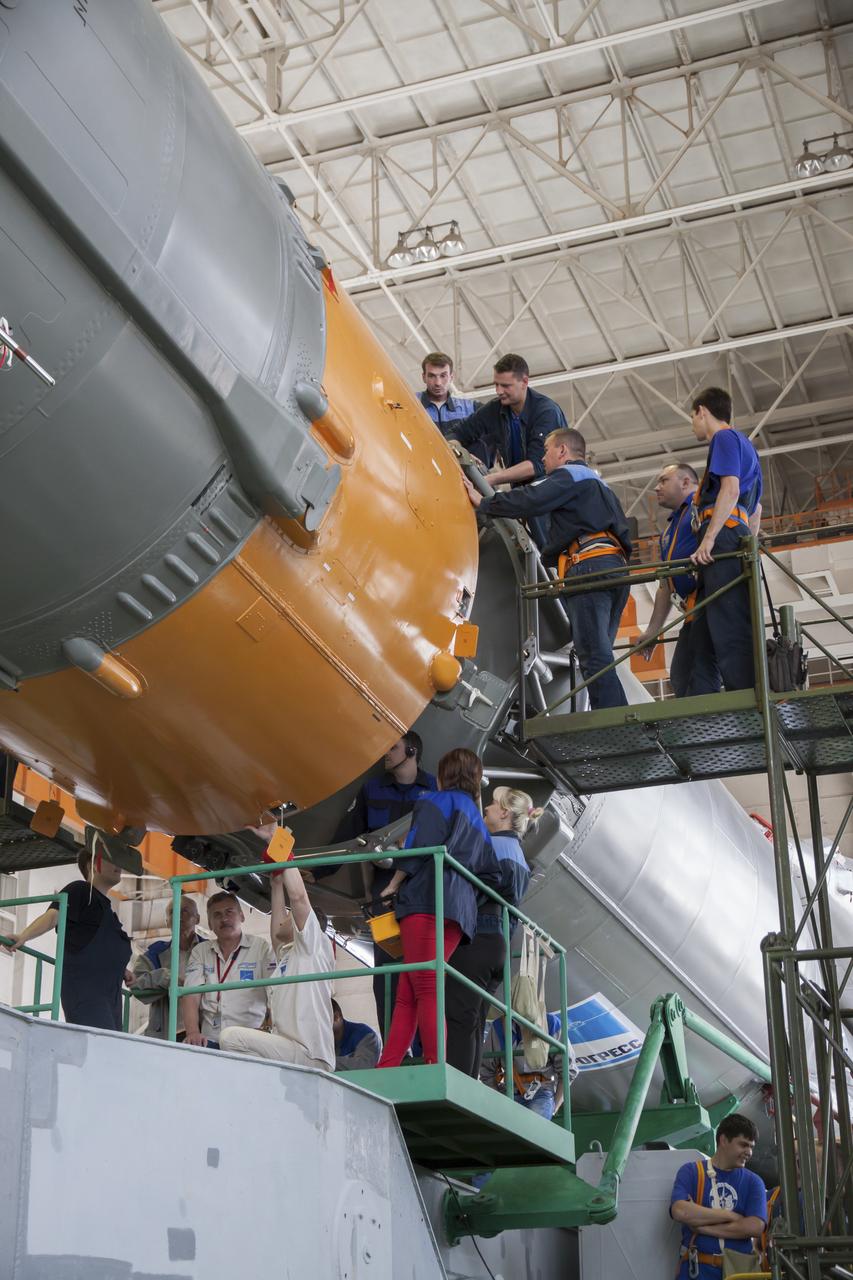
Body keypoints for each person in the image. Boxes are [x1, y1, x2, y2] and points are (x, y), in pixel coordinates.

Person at [464, 427, 632, 709]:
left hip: (588, 566)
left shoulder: (569, 475)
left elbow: (532, 498)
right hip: (615, 568)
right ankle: (617, 716)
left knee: (593, 655)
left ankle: (615, 720)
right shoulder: (600, 485)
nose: (543, 458)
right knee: (601, 654)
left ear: (562, 451)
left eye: (546, 451)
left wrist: (485, 502)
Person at [376, 747, 501, 1068]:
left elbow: (419, 847)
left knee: (423, 987)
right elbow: (492, 874)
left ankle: (435, 1063)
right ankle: (389, 1063)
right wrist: (464, 896)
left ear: (445, 775)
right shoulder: (478, 820)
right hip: (458, 914)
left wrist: (393, 885)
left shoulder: (434, 801)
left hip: (424, 901)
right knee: (411, 989)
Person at [333, 731, 436, 1035]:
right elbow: (349, 835)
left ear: (412, 751)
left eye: (393, 747)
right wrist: (320, 871)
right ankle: (395, 1044)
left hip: (422, 889)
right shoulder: (372, 789)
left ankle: (425, 1047)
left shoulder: (433, 789)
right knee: (386, 973)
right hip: (384, 893)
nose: (385, 753)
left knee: (424, 971)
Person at [445, 786, 539, 1077]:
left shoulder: (491, 846)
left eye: (493, 804)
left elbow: (462, 890)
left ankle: (457, 1082)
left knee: (459, 1017)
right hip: (498, 944)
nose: (486, 807)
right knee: (474, 1021)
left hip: (476, 940)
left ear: (504, 813)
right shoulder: (520, 857)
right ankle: (468, 1082)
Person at [221, 845, 335, 1071]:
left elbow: (299, 898)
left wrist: (279, 844)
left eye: (289, 916)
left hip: (310, 1052)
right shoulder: (288, 955)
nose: (283, 919)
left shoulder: (312, 946)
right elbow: (276, 935)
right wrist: (276, 882)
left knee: (230, 1038)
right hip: (290, 1049)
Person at [2, 837, 133, 1031]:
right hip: (87, 994)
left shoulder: (109, 914)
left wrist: (122, 970)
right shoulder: (80, 890)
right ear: (93, 864)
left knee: (111, 1045)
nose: (118, 864)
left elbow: (101, 948)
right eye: (111, 859)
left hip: (111, 1000)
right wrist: (23, 936)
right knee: (102, 1043)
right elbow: (53, 916)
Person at [686, 387, 763, 695]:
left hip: (723, 537)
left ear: (702, 411)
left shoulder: (724, 438)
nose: (693, 425)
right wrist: (748, 547)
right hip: (737, 535)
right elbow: (756, 510)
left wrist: (710, 539)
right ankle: (709, 700)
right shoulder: (748, 448)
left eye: (693, 417)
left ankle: (745, 698)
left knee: (729, 623)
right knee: (706, 628)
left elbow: (730, 489)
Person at [449, 354, 567, 546]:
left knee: (551, 549)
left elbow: (537, 465)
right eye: (496, 384)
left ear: (524, 382)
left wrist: (489, 479)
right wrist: (461, 450)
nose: (499, 391)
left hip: (550, 499)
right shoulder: (495, 409)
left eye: (505, 386)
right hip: (523, 498)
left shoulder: (546, 412)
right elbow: (457, 433)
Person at [670, 1113, 768, 1279]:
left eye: (751, 1147)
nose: (749, 1152)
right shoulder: (692, 1171)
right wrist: (732, 1216)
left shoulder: (754, 1182)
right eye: (743, 1145)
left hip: (738, 1272)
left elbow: (755, 1227)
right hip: (697, 1271)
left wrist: (702, 1228)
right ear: (723, 1140)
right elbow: (680, 1211)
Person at [636, 462, 700, 697]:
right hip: (692, 613)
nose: (656, 487)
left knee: (702, 676)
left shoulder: (703, 507)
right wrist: (653, 631)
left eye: (664, 480)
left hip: (711, 606)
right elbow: (665, 582)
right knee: (682, 677)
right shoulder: (671, 529)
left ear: (686, 482)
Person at [181, 891, 276, 1050]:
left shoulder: (261, 948)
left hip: (249, 1041)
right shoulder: (200, 951)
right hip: (209, 1039)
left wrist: (271, 1029)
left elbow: (275, 994)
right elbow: (191, 995)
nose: (224, 919)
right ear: (210, 924)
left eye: (229, 912)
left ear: (242, 916)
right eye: (217, 915)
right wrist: (192, 1032)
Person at [127, 895, 203, 1040]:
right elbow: (136, 986)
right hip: (166, 1034)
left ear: (197, 919)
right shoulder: (155, 953)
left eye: (185, 911)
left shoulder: (209, 950)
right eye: (172, 912)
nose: (178, 916)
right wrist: (167, 978)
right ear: (167, 922)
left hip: (202, 1033)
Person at [480, 1010, 572, 1121]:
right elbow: (486, 1069)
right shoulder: (499, 1026)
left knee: (534, 1124)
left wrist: (554, 1107)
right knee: (504, 1124)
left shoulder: (551, 1024)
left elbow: (568, 1071)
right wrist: (498, 1101)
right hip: (509, 1091)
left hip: (541, 1092)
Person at [418, 352, 477, 441]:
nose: (438, 383)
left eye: (443, 376)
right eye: (432, 376)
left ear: (451, 377)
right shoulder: (409, 404)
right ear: (423, 377)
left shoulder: (471, 408)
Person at [332, 998, 382, 1070]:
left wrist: (324, 1063)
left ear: (336, 1017)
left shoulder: (366, 1035)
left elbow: (363, 1066)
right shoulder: (322, 1041)